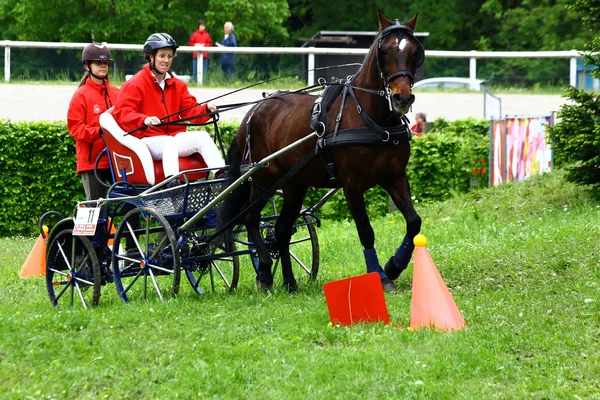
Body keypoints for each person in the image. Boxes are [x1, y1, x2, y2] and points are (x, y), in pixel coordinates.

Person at [112, 33, 225, 181]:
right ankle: (171, 183)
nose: (166, 60)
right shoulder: (135, 84)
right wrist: (144, 119)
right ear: (151, 57)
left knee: (202, 137)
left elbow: (190, 110)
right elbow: (122, 113)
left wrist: (205, 110)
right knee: (169, 143)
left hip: (172, 138)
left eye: (170, 56)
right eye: (162, 56)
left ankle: (222, 176)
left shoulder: (177, 85)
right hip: (147, 140)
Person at [67, 43, 120, 200]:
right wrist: (99, 132)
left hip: (117, 161)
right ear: (87, 66)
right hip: (92, 163)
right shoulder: (81, 95)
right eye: (98, 63)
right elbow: (75, 128)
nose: (103, 66)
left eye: (105, 63)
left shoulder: (117, 93)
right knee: (96, 209)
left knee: (130, 203)